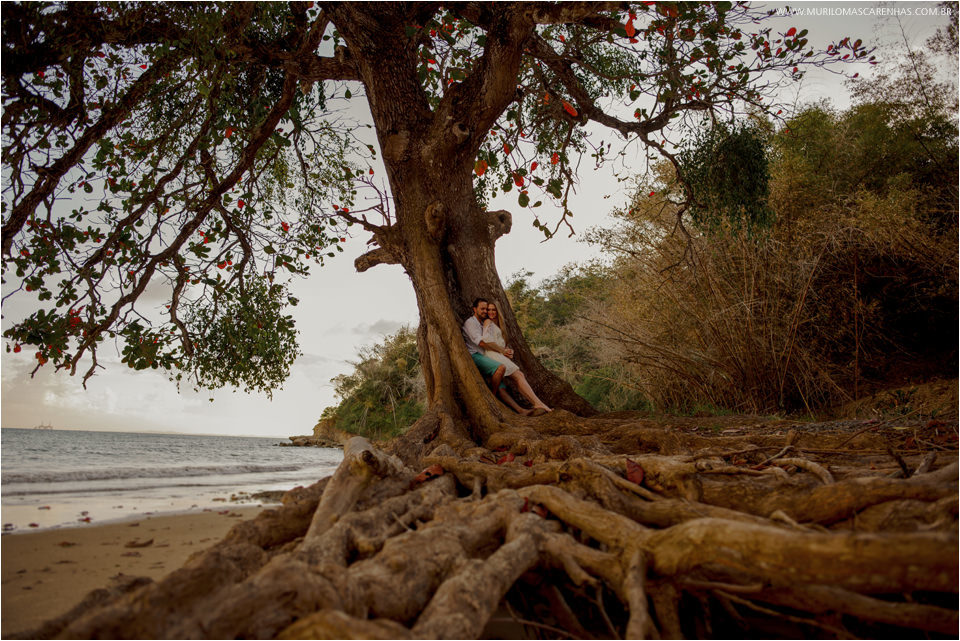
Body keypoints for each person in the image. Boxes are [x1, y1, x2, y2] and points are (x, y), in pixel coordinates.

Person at [462, 298, 551, 416]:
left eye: (487, 309)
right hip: (477, 355)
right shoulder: (471, 323)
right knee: (510, 372)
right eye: (483, 309)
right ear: (474, 309)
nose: (486, 311)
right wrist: (502, 351)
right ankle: (535, 403)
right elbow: (482, 343)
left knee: (503, 386)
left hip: (487, 355)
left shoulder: (483, 323)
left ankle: (521, 410)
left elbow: (493, 341)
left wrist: (506, 351)